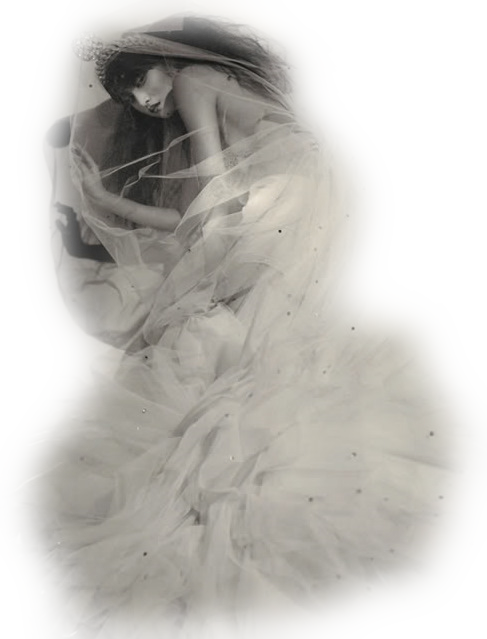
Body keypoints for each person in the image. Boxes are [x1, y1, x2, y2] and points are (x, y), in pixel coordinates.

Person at [1, 8, 486, 639]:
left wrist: (107, 201)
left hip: (278, 200)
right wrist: (107, 201)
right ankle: (240, 480)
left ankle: (225, 492)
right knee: (245, 353)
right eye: (130, 99)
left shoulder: (192, 81)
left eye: (141, 83)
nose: (143, 104)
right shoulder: (227, 89)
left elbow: (209, 200)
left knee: (205, 342)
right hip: (303, 197)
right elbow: (205, 215)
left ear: (165, 62)